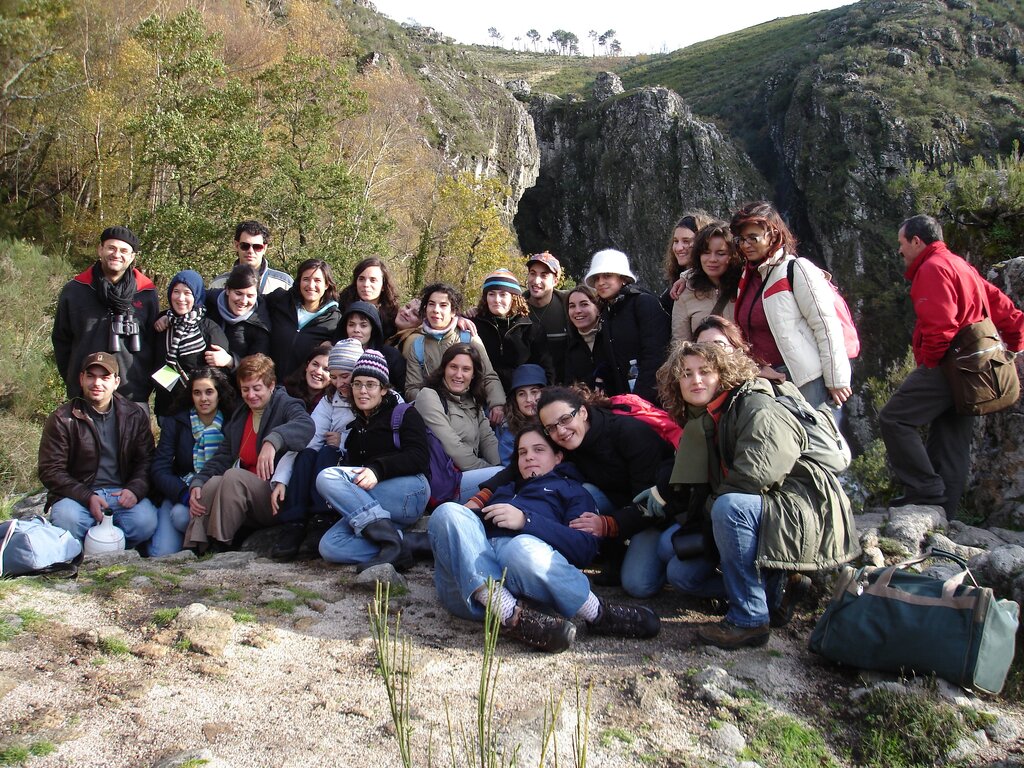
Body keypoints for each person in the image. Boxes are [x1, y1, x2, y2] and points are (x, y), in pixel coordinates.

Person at [655, 341, 859, 649]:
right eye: (686, 374)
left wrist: (710, 512)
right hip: (766, 508)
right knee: (681, 574)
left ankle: (749, 618)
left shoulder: (755, 404)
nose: (695, 380)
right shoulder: (704, 418)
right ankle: (775, 591)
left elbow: (756, 475)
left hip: (801, 508)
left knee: (729, 507)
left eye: (704, 371)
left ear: (723, 373)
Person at [428, 425, 661, 653]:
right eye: (522, 452)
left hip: (528, 584)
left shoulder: (572, 491)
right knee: (448, 511)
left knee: (519, 547)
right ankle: (505, 608)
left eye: (539, 450)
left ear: (558, 457)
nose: (529, 457)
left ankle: (597, 614)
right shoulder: (503, 490)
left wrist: (526, 521)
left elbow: (585, 548)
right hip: (468, 590)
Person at [880, 214, 1024, 513]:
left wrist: (929, 365)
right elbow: (999, 303)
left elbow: (940, 325)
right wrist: (1016, 340)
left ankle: (924, 490)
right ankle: (945, 510)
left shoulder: (932, 269)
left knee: (894, 418)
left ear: (917, 241)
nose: (900, 250)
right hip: (976, 368)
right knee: (951, 437)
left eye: (902, 243)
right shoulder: (959, 264)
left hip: (949, 363)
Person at [535, 386, 673, 594]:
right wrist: (486, 494)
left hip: (658, 513)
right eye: (551, 427)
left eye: (565, 419)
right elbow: (521, 465)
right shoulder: (566, 441)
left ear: (582, 412)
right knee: (582, 492)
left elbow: (650, 504)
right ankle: (604, 552)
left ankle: (666, 559)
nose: (560, 431)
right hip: (620, 504)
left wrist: (610, 525)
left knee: (638, 585)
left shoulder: (628, 433)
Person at [183, 354, 314, 552]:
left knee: (233, 477)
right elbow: (223, 456)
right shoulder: (241, 414)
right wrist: (199, 481)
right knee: (211, 484)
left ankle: (221, 545)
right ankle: (195, 548)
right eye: (245, 389)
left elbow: (305, 425)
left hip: (275, 496)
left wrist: (273, 441)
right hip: (244, 497)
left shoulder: (286, 404)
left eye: (257, 388)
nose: (251, 395)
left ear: (271, 386)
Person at [316, 350, 431, 570]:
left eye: (370, 384)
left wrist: (378, 470)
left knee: (327, 476)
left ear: (384, 389)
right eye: (357, 384)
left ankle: (389, 540)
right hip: (376, 506)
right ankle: (405, 544)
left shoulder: (404, 413)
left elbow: (419, 457)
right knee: (330, 546)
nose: (362, 391)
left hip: (410, 491)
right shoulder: (355, 429)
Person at [731, 201, 851, 409]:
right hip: (768, 379)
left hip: (804, 378)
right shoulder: (747, 277)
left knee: (818, 439)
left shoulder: (796, 270)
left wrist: (836, 379)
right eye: (741, 239)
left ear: (773, 235)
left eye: (753, 238)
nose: (746, 245)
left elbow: (825, 324)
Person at [41, 352, 158, 549]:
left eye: (105, 378)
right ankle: (83, 550)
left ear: (116, 382)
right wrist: (87, 496)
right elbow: (50, 470)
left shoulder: (134, 415)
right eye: (91, 376)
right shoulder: (62, 418)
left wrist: (134, 489)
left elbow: (146, 460)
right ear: (81, 379)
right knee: (67, 520)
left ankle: (113, 546)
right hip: (78, 495)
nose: (97, 383)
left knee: (145, 522)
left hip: (120, 493)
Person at [270, 339, 364, 561]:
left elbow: (378, 435)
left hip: (356, 467)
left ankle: (323, 518)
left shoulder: (373, 395)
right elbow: (307, 438)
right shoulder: (330, 400)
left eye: (345, 376)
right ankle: (294, 522)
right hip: (327, 461)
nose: (340, 383)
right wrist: (281, 478)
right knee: (307, 454)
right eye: (335, 376)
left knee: (328, 453)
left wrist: (343, 441)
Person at [52, 226, 159, 407]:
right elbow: (62, 341)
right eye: (111, 248)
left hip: (132, 393)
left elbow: (154, 342)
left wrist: (144, 382)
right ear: (100, 249)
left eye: (124, 251)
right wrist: (75, 378)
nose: (117, 254)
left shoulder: (146, 292)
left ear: (132, 257)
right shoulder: (76, 290)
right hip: (85, 393)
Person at [149, 368, 236, 557]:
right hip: (180, 491)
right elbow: (159, 469)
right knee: (162, 554)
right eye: (197, 393)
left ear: (219, 394)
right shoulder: (176, 421)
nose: (203, 398)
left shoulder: (232, 421)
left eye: (209, 392)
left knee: (182, 516)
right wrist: (184, 494)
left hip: (216, 493)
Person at [401, 282, 505, 422]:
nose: (436, 310)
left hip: (470, 412)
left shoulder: (468, 338)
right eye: (431, 304)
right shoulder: (418, 345)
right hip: (434, 415)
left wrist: (497, 404)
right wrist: (435, 404)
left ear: (453, 311)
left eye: (443, 305)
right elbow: (412, 388)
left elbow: (488, 375)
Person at [414, 343, 503, 503]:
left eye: (466, 369)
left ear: (474, 374)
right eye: (453, 367)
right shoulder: (428, 396)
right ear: (444, 369)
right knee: (503, 480)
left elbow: (487, 439)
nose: (458, 375)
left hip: (469, 474)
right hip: (445, 481)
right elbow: (451, 447)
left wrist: (500, 465)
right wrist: (495, 471)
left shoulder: (473, 400)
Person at [585, 249, 670, 404]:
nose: (600, 282)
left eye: (607, 276)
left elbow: (656, 354)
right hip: (626, 401)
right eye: (597, 278)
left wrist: (639, 399)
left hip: (652, 401)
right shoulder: (608, 312)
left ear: (623, 278)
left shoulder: (644, 303)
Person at [153, 270, 232, 419]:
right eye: (176, 291)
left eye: (187, 293)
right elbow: (155, 362)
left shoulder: (209, 329)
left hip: (201, 412)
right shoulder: (163, 324)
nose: (181, 298)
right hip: (167, 409)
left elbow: (221, 378)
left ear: (196, 295)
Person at [474, 269, 553, 392]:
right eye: (491, 294)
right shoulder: (474, 326)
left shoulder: (532, 329)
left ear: (514, 298)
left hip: (522, 398)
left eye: (503, 294)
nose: (497, 300)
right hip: (483, 396)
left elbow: (547, 371)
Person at [265, 259, 341, 382]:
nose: (311, 285)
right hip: (268, 385)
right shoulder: (280, 300)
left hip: (302, 393)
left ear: (326, 285)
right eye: (306, 279)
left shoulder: (334, 320)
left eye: (317, 280)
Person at [671, 221, 740, 342]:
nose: (712, 259)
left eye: (721, 253)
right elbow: (680, 345)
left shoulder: (745, 286)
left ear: (733, 256)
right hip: (703, 360)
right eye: (706, 253)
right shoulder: (685, 292)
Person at [206, 264, 272, 362]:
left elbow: (256, 370)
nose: (243, 301)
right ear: (227, 290)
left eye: (250, 296)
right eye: (238, 293)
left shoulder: (261, 325)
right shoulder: (209, 303)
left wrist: (231, 362)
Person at [341, 300, 407, 396]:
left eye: (363, 325)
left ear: (373, 329)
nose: (356, 330)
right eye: (351, 325)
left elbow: (402, 391)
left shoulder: (391, 356)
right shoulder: (337, 354)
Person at [209, 220, 293, 294]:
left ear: (264, 248)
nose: (250, 251)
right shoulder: (218, 285)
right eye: (245, 246)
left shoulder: (284, 284)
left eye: (257, 247)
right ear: (236, 245)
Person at [524, 253, 570, 384]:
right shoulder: (515, 308)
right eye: (533, 273)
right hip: (528, 388)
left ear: (555, 281)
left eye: (544, 275)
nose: (536, 280)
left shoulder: (569, 305)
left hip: (565, 385)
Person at [660, 211, 714, 313]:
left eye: (686, 241)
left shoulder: (716, 283)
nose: (679, 248)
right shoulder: (674, 288)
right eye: (676, 241)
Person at [337, 257, 401, 341]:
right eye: (361, 279)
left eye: (373, 280)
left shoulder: (392, 316)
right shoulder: (341, 307)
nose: (366, 284)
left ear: (383, 286)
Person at [494, 363, 546, 464]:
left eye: (534, 392)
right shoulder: (508, 430)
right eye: (521, 394)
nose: (529, 399)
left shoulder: (557, 423)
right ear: (515, 400)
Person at [563, 284, 609, 390]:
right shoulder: (572, 347)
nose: (577, 310)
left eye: (584, 304)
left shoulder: (611, 338)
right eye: (572, 306)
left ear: (598, 308)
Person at [283, 342, 334, 413]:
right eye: (315, 364)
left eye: (326, 369)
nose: (318, 371)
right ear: (307, 366)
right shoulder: (284, 393)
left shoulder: (333, 405)